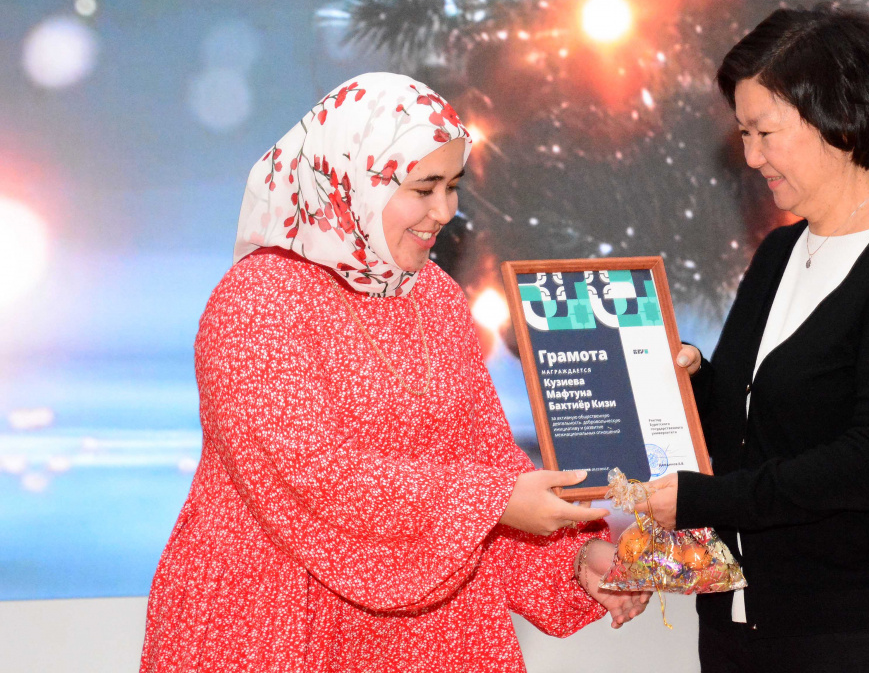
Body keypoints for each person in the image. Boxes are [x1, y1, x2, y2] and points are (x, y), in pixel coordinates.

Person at [140, 72, 649, 673]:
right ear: (350, 178)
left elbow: (487, 458)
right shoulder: (257, 300)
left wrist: (577, 557)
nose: (445, 212)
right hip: (275, 624)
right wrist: (491, 502)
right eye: (423, 188)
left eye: (453, 186)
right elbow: (313, 476)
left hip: (428, 636)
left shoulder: (434, 294)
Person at [641, 5, 869, 671]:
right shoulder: (778, 253)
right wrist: (695, 382)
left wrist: (706, 501)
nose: (750, 157)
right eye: (743, 134)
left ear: (842, 121)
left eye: (766, 133)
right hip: (743, 631)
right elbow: (757, 428)